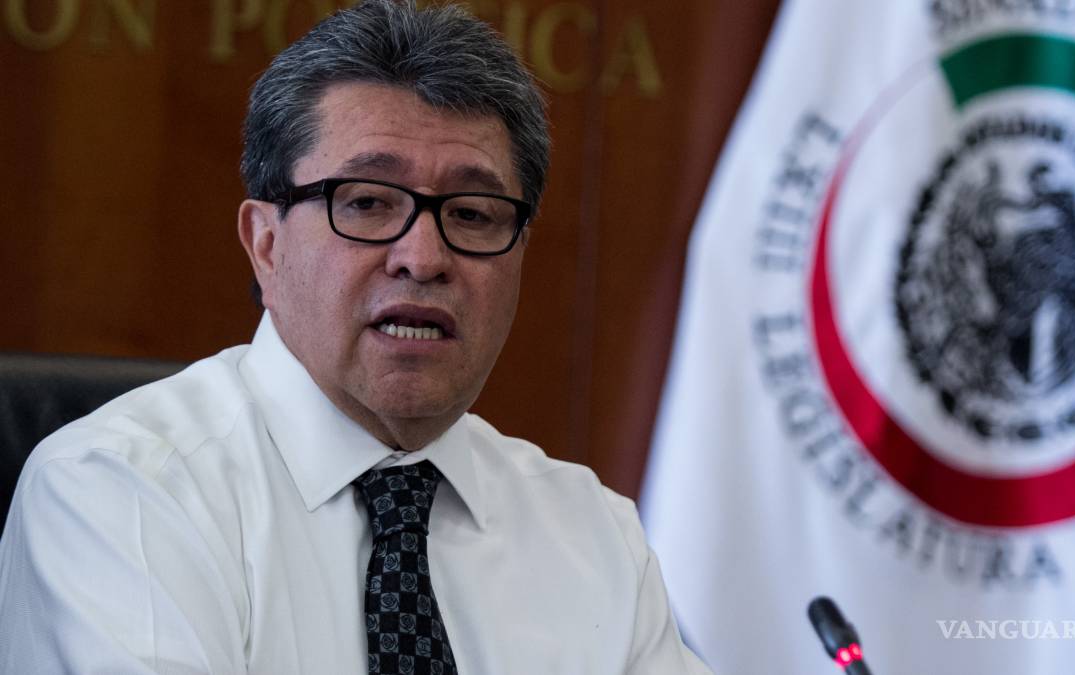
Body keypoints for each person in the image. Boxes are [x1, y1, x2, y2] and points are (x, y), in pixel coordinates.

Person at [0, 2, 711, 673]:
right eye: (368, 202)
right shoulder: (122, 488)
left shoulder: (593, 535)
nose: (423, 257)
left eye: (471, 214)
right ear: (266, 244)